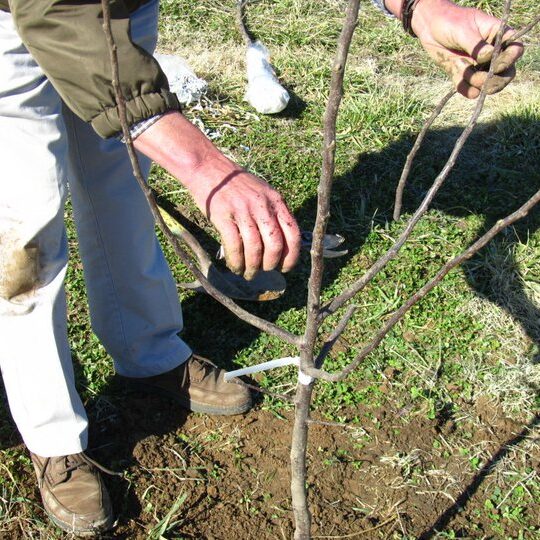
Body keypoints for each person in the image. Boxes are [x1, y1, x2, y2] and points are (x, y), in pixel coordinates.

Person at [0, 0, 524, 534]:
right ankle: (54, 438)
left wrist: (416, 7)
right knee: (27, 236)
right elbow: (55, 13)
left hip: (119, 14)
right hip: (27, 20)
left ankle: (149, 352)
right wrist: (203, 165)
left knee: (123, 183)